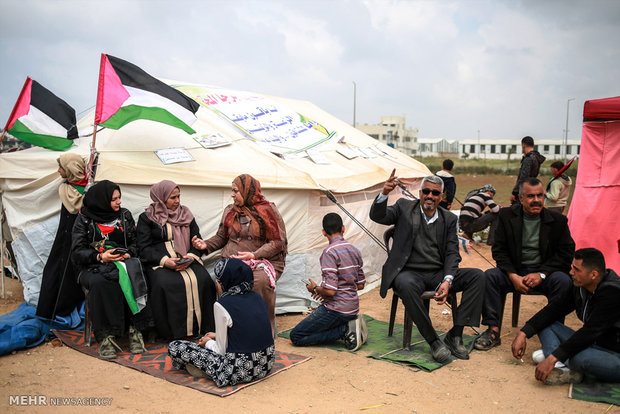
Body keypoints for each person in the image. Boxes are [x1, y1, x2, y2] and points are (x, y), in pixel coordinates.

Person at [369, 171, 485, 363]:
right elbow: (378, 216)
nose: (430, 196)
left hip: (437, 274)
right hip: (409, 273)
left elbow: (451, 253)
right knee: (405, 284)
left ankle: (455, 335)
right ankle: (434, 342)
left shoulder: (449, 219)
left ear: (441, 197)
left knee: (478, 276)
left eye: (435, 193)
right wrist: (384, 194)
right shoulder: (404, 207)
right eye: (426, 191)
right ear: (421, 193)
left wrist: (448, 280)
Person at [475, 178, 574, 351]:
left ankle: (555, 329)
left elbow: (565, 254)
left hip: (546, 274)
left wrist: (542, 274)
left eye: (540, 195)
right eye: (530, 196)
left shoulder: (558, 221)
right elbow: (499, 251)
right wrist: (513, 276)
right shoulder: (506, 216)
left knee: (564, 282)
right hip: (516, 271)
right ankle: (492, 330)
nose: (536, 200)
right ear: (521, 198)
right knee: (490, 276)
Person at [192, 174, 287, 334]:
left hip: (262, 262)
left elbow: (278, 242)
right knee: (223, 280)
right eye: (232, 191)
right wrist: (205, 244)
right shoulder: (230, 211)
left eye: (236, 191)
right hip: (232, 261)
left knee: (257, 281)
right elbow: (221, 237)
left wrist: (254, 255)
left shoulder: (268, 211)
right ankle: (232, 330)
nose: (232, 194)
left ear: (247, 191)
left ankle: (260, 331)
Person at [512, 248, 620, 385]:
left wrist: (552, 357)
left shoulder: (613, 292)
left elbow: (591, 331)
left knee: (579, 359)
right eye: (572, 268)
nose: (571, 273)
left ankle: (559, 360)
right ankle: (562, 367)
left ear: (593, 274)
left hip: (615, 353)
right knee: (545, 324)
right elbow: (554, 309)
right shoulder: (580, 285)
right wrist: (523, 333)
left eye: (576, 270)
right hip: (595, 345)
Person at [72, 180, 153, 359]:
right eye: (114, 199)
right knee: (101, 283)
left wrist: (128, 253)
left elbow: (135, 243)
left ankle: (135, 329)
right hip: (93, 266)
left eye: (119, 198)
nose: (119, 202)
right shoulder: (84, 219)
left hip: (122, 263)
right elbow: (77, 251)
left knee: (138, 275)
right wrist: (100, 257)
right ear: (101, 200)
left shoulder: (125, 215)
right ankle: (106, 336)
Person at [168, 258, 275, 387]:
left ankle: (208, 372)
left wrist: (208, 342)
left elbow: (221, 350)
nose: (217, 283)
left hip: (237, 371)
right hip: (265, 364)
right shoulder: (257, 297)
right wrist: (215, 335)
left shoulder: (222, 304)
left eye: (219, 280)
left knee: (175, 346)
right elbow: (246, 331)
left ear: (225, 282)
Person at [136, 180, 216, 340]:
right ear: (161, 198)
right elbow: (143, 248)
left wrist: (190, 257)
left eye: (178, 196)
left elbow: (197, 240)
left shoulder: (186, 214)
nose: (178, 201)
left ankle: (203, 328)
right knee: (166, 284)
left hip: (187, 260)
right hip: (160, 264)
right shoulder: (147, 218)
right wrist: (166, 261)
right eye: (173, 197)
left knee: (205, 280)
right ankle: (173, 332)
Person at [290, 213, 367, 350]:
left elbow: (331, 291)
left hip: (336, 309)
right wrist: (323, 291)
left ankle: (344, 330)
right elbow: (360, 285)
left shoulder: (329, 253)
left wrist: (315, 289)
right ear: (343, 228)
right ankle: (348, 325)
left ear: (323, 232)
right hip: (352, 308)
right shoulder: (355, 250)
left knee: (296, 336)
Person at [36, 153, 87, 321]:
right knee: (53, 273)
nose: (58, 171)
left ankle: (64, 311)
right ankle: (48, 311)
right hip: (62, 240)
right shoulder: (66, 189)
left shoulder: (89, 191)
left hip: (79, 243)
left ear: (71, 169)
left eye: (62, 168)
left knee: (71, 278)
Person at [510, 136, 546, 204]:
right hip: (532, 187)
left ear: (523, 145)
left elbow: (523, 177)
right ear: (533, 145)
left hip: (524, 190)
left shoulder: (528, 159)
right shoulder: (536, 157)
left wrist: (514, 193)